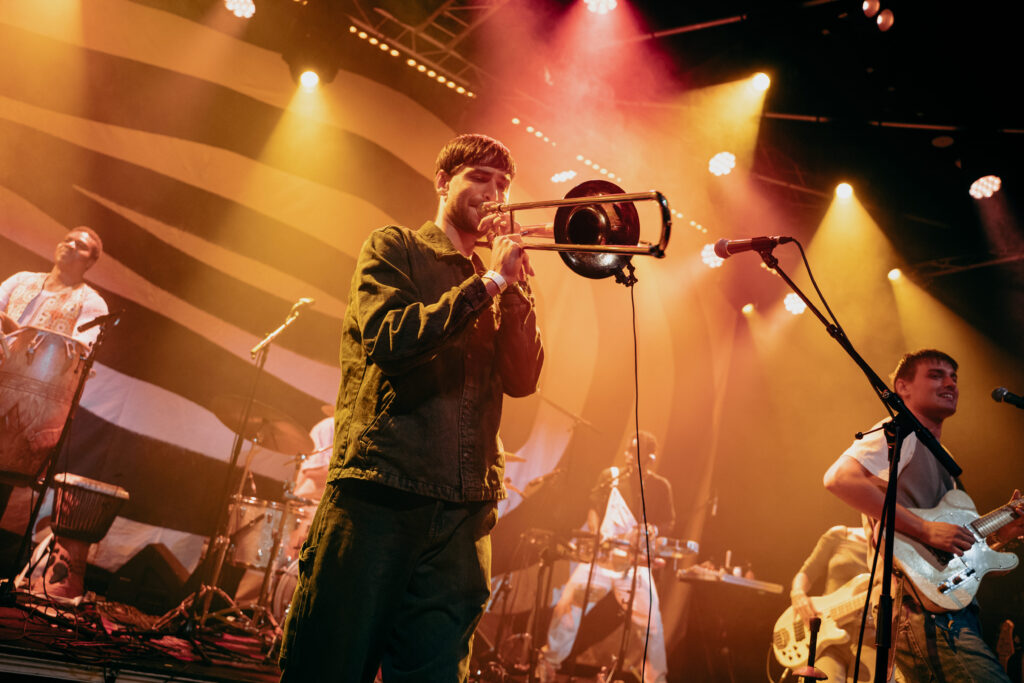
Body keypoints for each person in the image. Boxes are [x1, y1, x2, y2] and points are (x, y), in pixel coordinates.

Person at [278, 133, 544, 682]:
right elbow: (391, 339)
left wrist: (514, 289)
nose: (494, 193)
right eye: (479, 178)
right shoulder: (394, 247)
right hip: (382, 489)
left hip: (464, 508)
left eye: (503, 184)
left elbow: (523, 380)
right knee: (331, 664)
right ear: (443, 182)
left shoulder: (496, 282)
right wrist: (491, 282)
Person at [823, 349, 1024, 682]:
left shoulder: (942, 455)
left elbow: (954, 550)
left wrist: (1001, 536)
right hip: (918, 608)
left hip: (949, 605)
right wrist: (926, 530)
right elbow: (839, 479)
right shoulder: (898, 432)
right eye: (935, 375)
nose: (950, 383)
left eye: (954, 377)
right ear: (902, 387)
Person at [538, 430, 675, 683]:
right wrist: (595, 533)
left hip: (635, 564)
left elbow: (668, 522)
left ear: (650, 458)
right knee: (568, 605)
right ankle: (549, 663)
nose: (628, 455)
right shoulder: (611, 477)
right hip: (602, 559)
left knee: (650, 624)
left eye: (635, 452)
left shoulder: (660, 486)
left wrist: (652, 529)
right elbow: (593, 508)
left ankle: (656, 680)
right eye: (628, 450)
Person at [0, 227, 108, 521]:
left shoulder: (91, 303)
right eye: (67, 239)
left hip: (28, 409)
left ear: (90, 262)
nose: (70, 245)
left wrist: (17, 334)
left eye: (80, 246)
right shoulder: (22, 280)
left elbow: (78, 352)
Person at [788, 525, 875, 682]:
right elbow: (807, 572)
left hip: (871, 637)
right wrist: (798, 594)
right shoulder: (840, 534)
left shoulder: (895, 548)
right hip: (826, 634)